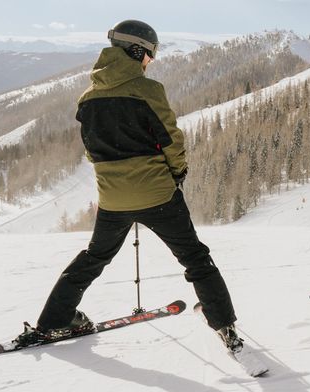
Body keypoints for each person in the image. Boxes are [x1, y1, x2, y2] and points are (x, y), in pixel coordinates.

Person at [14, 20, 256, 365]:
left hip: (113, 199)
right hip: (158, 194)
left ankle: (53, 321)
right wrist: (177, 173)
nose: (150, 62)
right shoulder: (148, 90)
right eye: (150, 55)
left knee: (93, 258)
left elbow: (91, 151)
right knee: (195, 258)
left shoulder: (88, 98)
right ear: (137, 50)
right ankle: (225, 326)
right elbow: (171, 140)